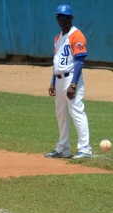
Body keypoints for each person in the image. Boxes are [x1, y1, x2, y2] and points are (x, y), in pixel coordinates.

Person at [44, 4, 92, 159]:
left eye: (64, 17)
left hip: (71, 77)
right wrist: (52, 81)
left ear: (70, 18)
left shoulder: (76, 35)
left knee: (76, 111)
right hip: (58, 79)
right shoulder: (57, 38)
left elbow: (79, 61)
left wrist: (73, 84)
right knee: (61, 114)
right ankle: (63, 148)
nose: (61, 19)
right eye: (59, 16)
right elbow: (57, 61)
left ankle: (85, 149)